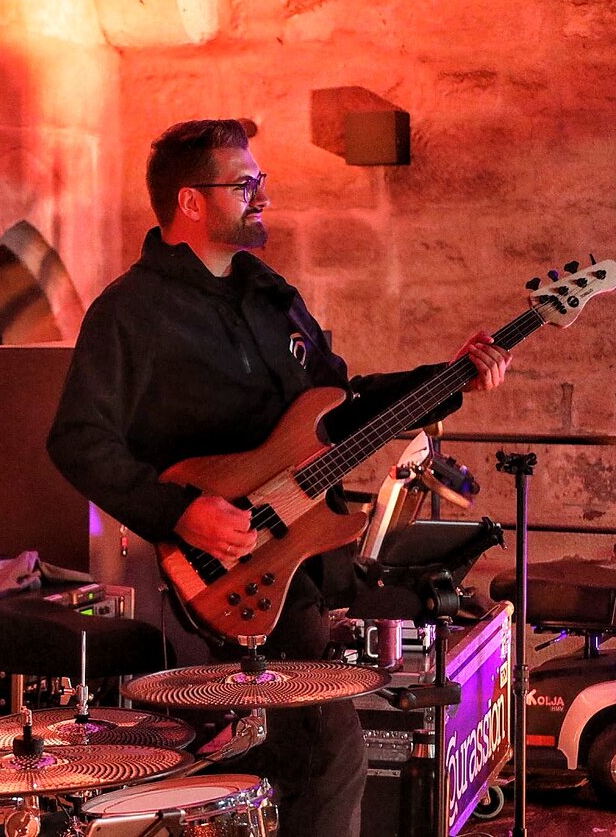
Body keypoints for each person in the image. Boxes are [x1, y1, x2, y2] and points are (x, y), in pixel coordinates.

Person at [47, 120, 511, 837]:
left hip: (300, 561)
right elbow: (77, 440)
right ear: (190, 201)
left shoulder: (272, 295)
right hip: (216, 571)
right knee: (328, 756)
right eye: (244, 184)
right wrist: (181, 512)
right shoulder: (129, 312)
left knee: (294, 763)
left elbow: (341, 408)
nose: (262, 196)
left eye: (258, 181)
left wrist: (448, 379)